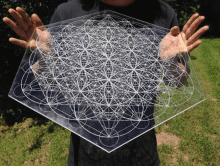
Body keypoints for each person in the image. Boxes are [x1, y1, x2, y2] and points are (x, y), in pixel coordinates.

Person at [3, 0, 209, 165]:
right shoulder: (67, 12)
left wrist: (173, 63)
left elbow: (176, 82)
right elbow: (49, 82)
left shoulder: (162, 13)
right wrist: (46, 59)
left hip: (142, 155)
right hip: (83, 155)